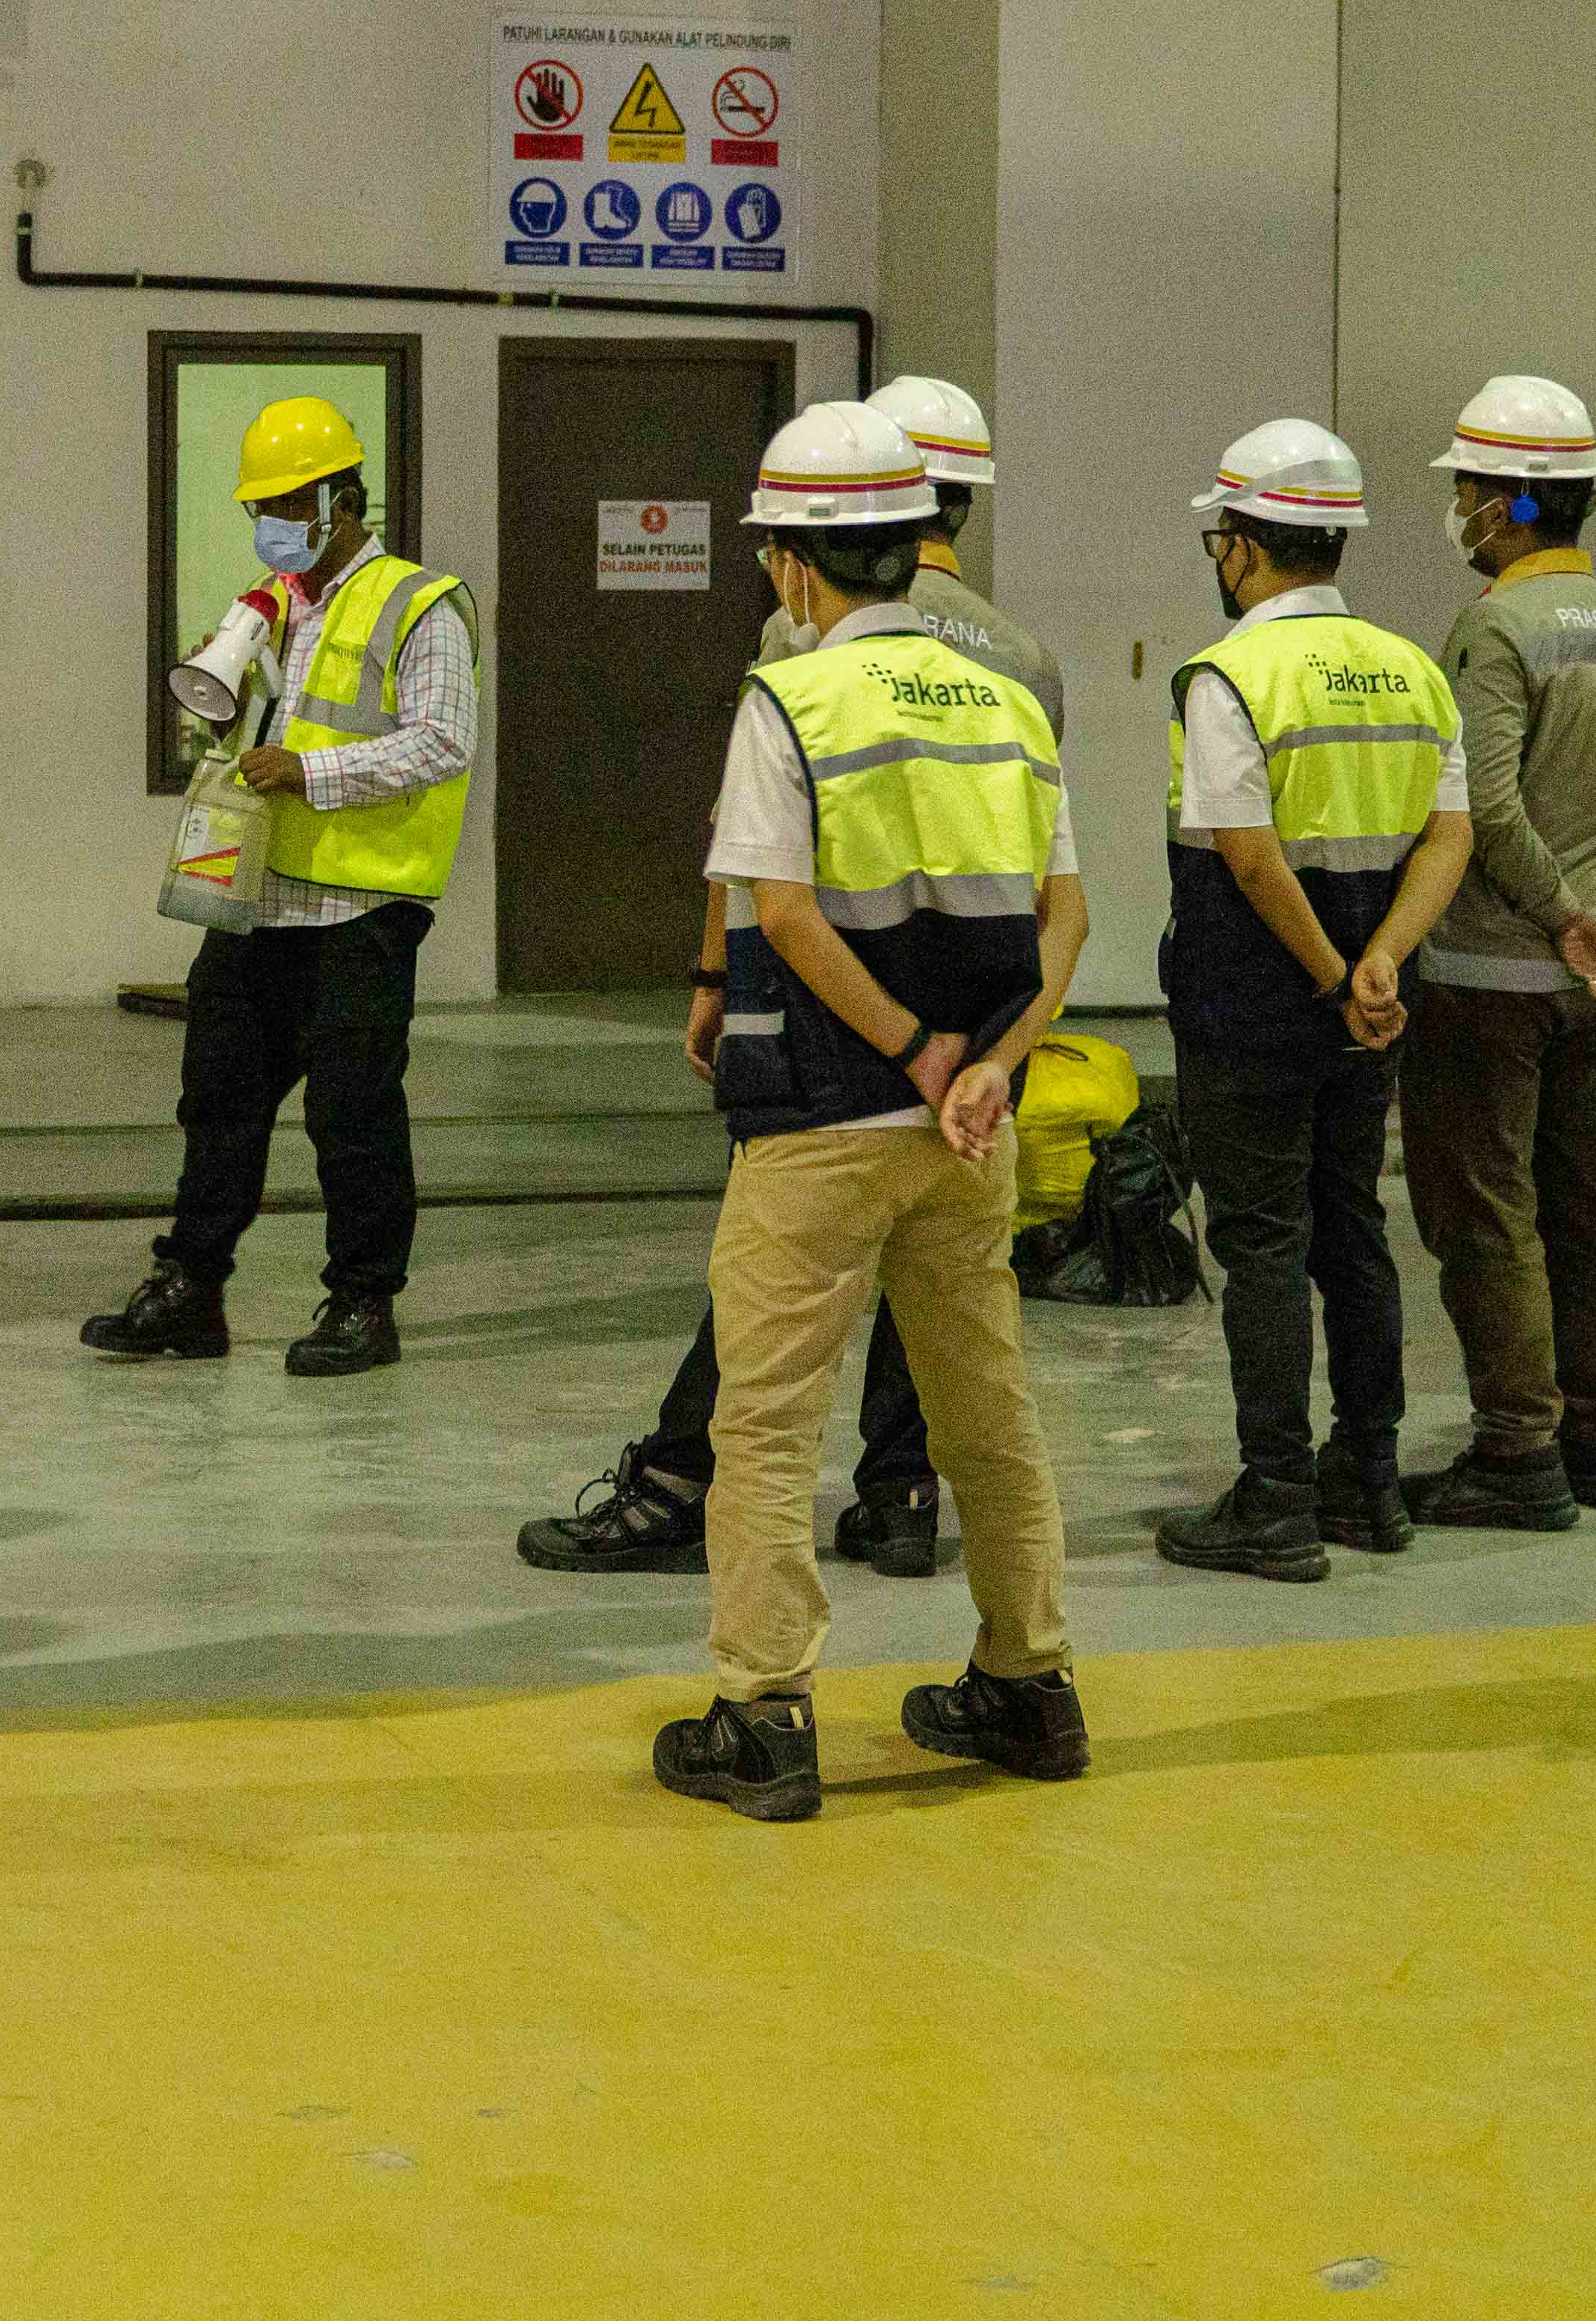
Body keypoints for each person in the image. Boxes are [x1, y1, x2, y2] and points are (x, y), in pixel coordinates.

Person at [520, 369, 1061, 1582]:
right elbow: (1043, 890)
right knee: (948, 1304)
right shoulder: (1025, 666)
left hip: (827, 1029)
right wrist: (980, 1054)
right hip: (974, 1042)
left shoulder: (801, 642)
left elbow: (753, 841)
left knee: (773, 1286)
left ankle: (682, 1490)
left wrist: (714, 975)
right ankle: (903, 1496)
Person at [650, 405, 1090, 1823]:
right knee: (986, 1411)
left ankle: (764, 1715)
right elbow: (1066, 917)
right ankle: (1029, 1683)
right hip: (970, 1134)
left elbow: (782, 910)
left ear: (793, 564)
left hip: (822, 1118)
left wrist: (911, 1052)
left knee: (770, 1423)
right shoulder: (1008, 702)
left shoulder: (792, 699)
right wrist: (987, 1068)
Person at [81, 396, 473, 1379]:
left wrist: (308, 770)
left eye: (293, 503)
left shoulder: (420, 604)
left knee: (353, 1115)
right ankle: (191, 1289)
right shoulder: (268, 606)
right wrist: (227, 713)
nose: (275, 522)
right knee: (217, 1099)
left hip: (362, 908)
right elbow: (251, 727)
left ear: (344, 500)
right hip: (258, 902)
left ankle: (363, 1304)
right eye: (263, 506)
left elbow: (442, 741)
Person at [1150, 421, 1473, 1583]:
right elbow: (1451, 836)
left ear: (1242, 544)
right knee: (1351, 1226)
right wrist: (1379, 963)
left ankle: (1277, 1497)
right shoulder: (1412, 668)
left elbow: (1248, 855)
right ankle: (1369, 1479)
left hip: (1254, 1005)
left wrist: (1333, 977)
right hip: (1374, 1007)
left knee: (1264, 1243)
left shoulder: (1229, 675)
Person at [1397, 378, 1596, 1529]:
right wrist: (1592, 922)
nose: (1459, 508)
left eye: (1468, 488)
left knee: (1487, 1207)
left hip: (1492, 971)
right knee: (1585, 1196)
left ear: (1509, 502)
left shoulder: (1499, 629)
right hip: (1594, 979)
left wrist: (1558, 912)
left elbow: (1487, 806)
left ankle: (1518, 1449)